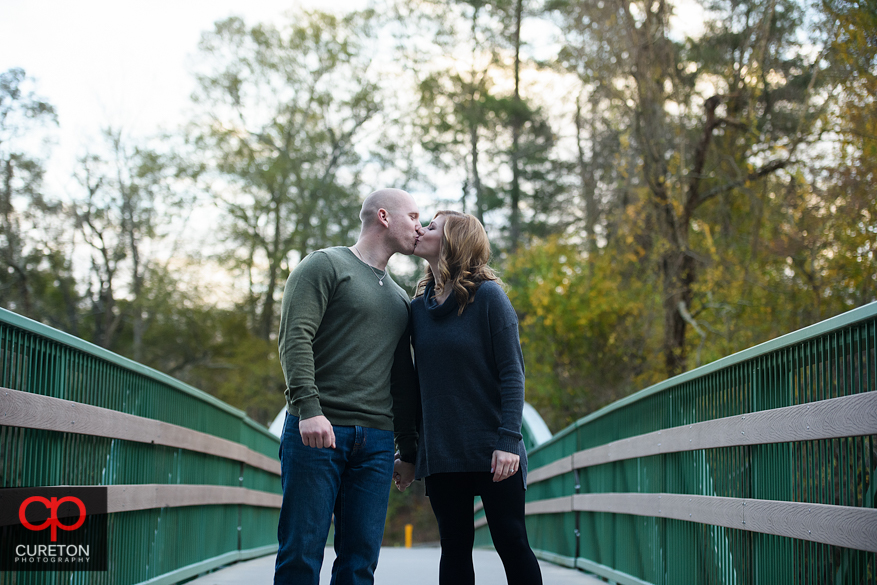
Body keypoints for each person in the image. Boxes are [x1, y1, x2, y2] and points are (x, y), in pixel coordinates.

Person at [275, 188, 422, 585]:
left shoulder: (400, 299)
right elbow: (295, 338)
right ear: (384, 217)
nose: (419, 227)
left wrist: (407, 448)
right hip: (318, 431)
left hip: (376, 443)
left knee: (360, 562)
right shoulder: (324, 265)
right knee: (300, 554)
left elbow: (402, 379)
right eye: (413, 216)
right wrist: (308, 408)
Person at [393, 211, 543, 585]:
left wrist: (509, 439)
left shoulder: (489, 297)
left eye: (431, 226)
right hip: (442, 450)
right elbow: (412, 385)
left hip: (494, 447)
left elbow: (512, 372)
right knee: (455, 548)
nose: (421, 230)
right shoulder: (416, 310)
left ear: (453, 241)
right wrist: (409, 452)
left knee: (511, 541)